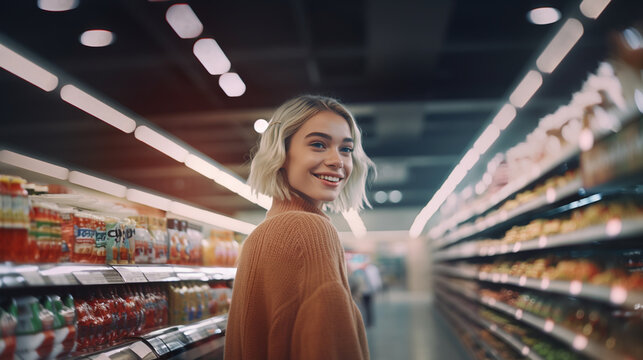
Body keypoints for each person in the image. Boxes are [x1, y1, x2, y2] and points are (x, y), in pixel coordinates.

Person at [225, 95, 375, 360]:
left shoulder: (261, 234)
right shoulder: (306, 228)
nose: (337, 160)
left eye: (346, 149)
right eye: (318, 145)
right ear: (281, 153)